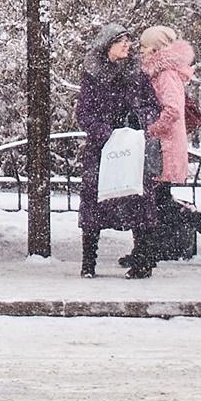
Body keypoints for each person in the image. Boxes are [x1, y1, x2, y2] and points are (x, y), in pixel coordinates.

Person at [76, 24, 165, 279]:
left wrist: (139, 123)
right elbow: (84, 112)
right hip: (102, 148)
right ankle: (88, 263)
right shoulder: (93, 75)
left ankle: (143, 261)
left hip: (133, 146)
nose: (127, 45)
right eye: (121, 41)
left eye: (128, 40)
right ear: (107, 45)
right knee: (95, 206)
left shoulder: (137, 74)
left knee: (139, 202)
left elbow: (152, 105)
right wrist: (104, 132)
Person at [138, 25, 201, 265]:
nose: (141, 52)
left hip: (164, 147)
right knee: (159, 200)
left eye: (144, 47)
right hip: (163, 145)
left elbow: (172, 111)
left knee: (158, 201)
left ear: (156, 48)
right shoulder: (161, 72)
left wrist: (151, 130)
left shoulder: (166, 74)